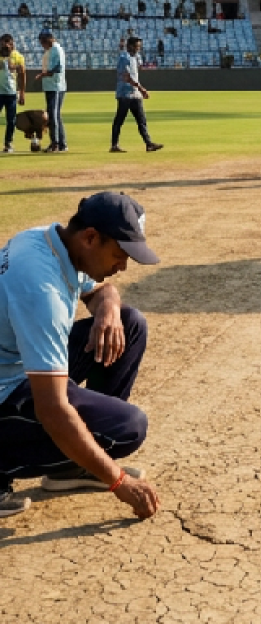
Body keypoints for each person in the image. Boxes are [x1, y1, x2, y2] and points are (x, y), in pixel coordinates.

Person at [0, 192, 161, 519]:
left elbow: (101, 290)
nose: (123, 266)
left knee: (128, 323)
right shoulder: (41, 291)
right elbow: (52, 410)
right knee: (127, 426)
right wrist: (118, 482)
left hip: (12, 366)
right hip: (6, 385)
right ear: (90, 238)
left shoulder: (49, 241)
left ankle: (71, 466)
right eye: (119, 255)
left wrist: (109, 307)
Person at [110, 38, 163, 154]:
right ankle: (114, 145)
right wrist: (141, 88)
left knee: (141, 120)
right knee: (119, 119)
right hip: (125, 93)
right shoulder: (124, 58)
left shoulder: (135, 57)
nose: (138, 49)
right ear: (129, 46)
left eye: (139, 46)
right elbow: (126, 76)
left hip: (135, 94)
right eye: (136, 46)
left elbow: (138, 68)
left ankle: (149, 144)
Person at [35, 29, 67, 153]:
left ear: (49, 39)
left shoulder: (56, 49)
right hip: (51, 86)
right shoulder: (50, 50)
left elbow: (58, 68)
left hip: (55, 86)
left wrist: (43, 75)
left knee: (52, 116)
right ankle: (62, 144)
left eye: (43, 41)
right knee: (56, 115)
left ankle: (55, 144)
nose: (42, 44)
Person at [0, 34, 26, 154]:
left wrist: (22, 92)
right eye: (3, 43)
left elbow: (22, 75)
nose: (5, 45)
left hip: (11, 93)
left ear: (12, 44)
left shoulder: (18, 56)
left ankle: (8, 143)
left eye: (8, 43)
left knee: (11, 120)